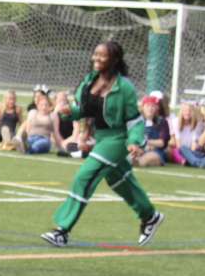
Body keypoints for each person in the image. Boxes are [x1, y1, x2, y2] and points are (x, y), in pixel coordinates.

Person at [42, 42, 164, 247]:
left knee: (84, 176)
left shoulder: (124, 87)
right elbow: (84, 110)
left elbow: (135, 120)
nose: (96, 58)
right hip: (101, 137)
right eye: (95, 54)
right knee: (120, 181)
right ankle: (149, 215)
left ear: (115, 60)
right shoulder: (90, 80)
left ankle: (62, 230)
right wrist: (70, 112)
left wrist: (134, 141)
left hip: (118, 138)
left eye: (102, 56)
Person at [134, 95, 171, 167]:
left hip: (156, 151)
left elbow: (162, 143)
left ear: (156, 108)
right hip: (139, 149)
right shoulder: (137, 121)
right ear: (142, 107)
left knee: (143, 160)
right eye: (147, 106)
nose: (150, 108)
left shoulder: (162, 121)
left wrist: (147, 141)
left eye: (152, 106)